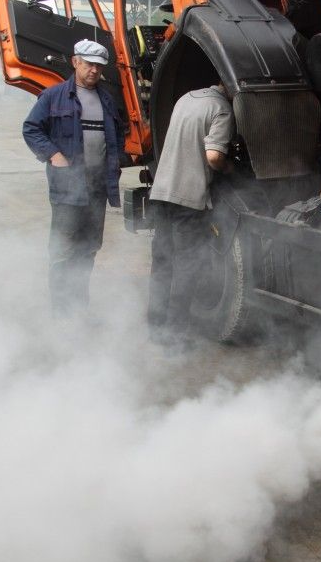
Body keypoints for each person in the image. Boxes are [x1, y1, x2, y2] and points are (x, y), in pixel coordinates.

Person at [22, 39, 123, 316]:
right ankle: (61, 312)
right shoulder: (53, 96)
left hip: (96, 189)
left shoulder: (106, 100)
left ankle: (79, 307)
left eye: (99, 67)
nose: (94, 71)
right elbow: (31, 129)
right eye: (89, 64)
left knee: (88, 250)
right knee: (63, 252)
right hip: (68, 189)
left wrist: (114, 165)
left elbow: (116, 137)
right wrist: (53, 154)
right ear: (75, 61)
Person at [147, 83, 235, 341]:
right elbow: (213, 156)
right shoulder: (221, 109)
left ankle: (155, 326)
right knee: (187, 266)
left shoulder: (186, 97)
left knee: (163, 260)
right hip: (188, 198)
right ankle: (174, 337)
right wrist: (229, 168)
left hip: (162, 191)